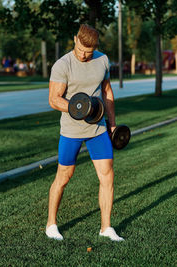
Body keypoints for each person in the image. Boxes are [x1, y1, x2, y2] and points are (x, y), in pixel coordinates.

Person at [46, 24, 124, 242]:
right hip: (71, 130)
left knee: (107, 175)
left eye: (88, 52)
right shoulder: (62, 65)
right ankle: (51, 223)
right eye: (80, 49)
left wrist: (112, 124)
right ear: (75, 40)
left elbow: (107, 91)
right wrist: (79, 108)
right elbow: (54, 99)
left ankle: (106, 228)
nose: (83, 55)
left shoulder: (102, 60)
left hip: (98, 129)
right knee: (64, 176)